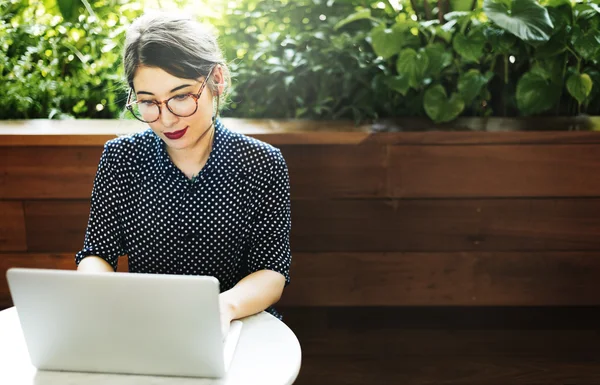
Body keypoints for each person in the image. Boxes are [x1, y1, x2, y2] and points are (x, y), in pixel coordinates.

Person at [75, 11, 292, 337]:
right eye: (148, 102)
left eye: (180, 96)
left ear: (216, 79)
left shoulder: (261, 163)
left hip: (237, 327)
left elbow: (271, 270)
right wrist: (100, 294)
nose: (166, 119)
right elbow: (97, 253)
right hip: (145, 328)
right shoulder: (122, 158)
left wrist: (223, 307)